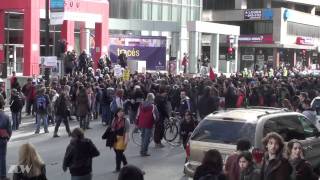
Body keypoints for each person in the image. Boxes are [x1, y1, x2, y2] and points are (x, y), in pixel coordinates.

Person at [111, 108, 130, 172]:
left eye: (122, 112)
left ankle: (118, 168)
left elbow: (127, 131)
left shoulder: (126, 120)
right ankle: (126, 165)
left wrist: (126, 141)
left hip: (122, 138)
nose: (121, 113)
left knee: (119, 154)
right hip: (115, 138)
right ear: (117, 113)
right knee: (118, 153)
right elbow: (112, 129)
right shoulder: (114, 119)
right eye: (119, 112)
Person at [0, 100, 11, 180]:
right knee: (2, 157)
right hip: (3, 138)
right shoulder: (6, 116)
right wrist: (7, 138)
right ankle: (3, 175)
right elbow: (9, 130)